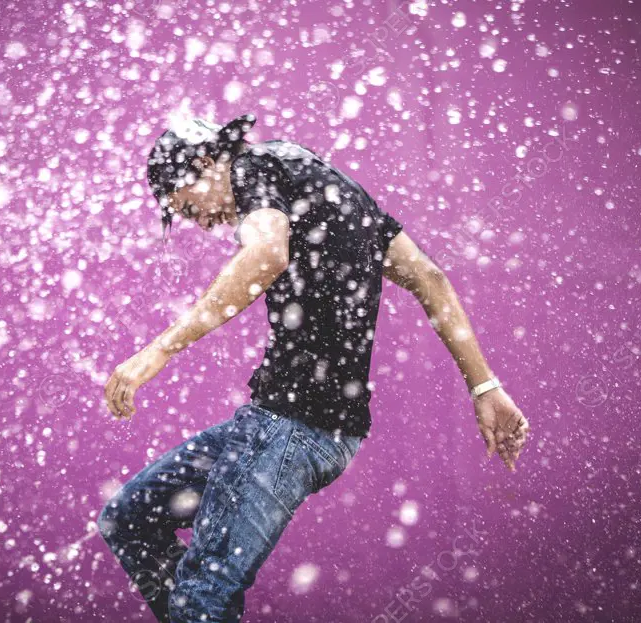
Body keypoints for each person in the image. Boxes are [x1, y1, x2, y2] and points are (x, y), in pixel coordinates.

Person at [100, 113, 529, 622]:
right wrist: (485, 386)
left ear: (203, 162)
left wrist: (161, 350)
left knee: (202, 596)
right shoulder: (329, 185)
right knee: (128, 517)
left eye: (186, 205)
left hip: (288, 428)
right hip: (309, 431)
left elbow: (266, 253)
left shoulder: (253, 165)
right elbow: (431, 278)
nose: (200, 221)